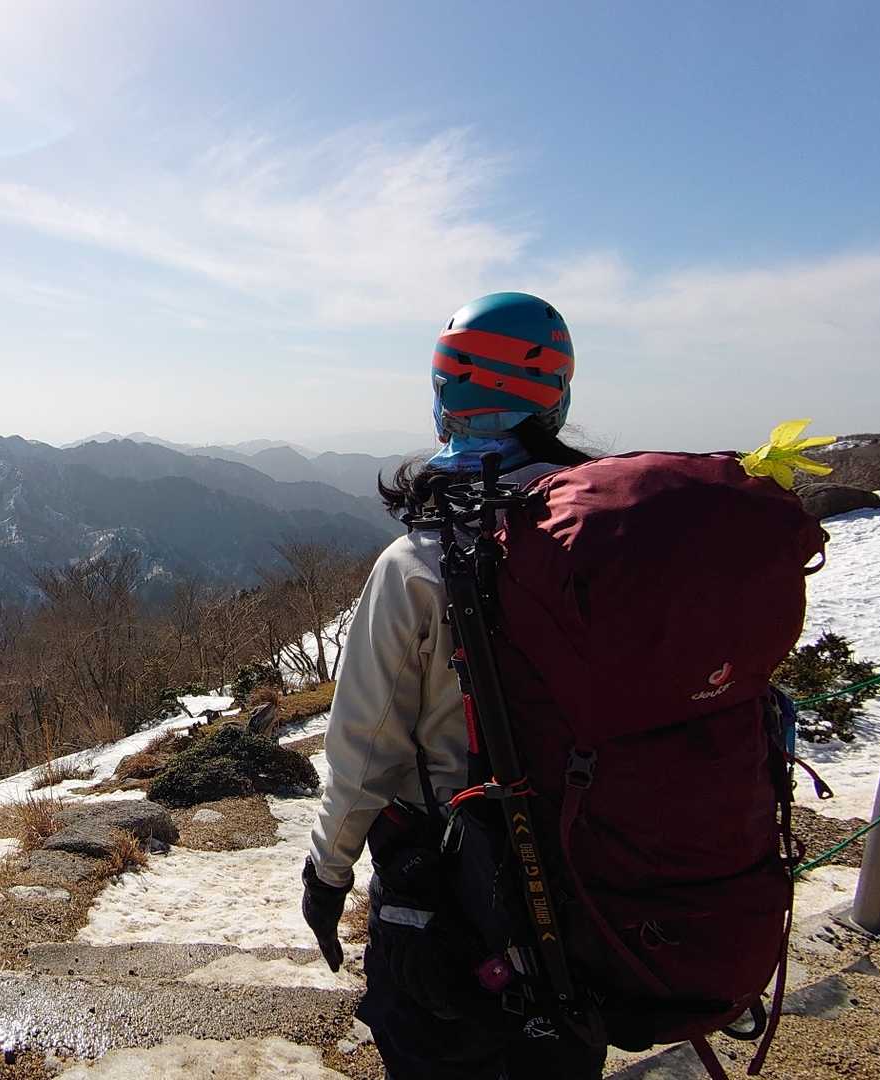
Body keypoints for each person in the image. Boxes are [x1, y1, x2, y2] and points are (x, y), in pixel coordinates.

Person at [300, 291, 606, 1080]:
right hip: (592, 893)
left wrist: (328, 875)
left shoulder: (419, 562)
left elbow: (362, 751)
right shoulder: (608, 544)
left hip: (451, 901)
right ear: (558, 398)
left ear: (444, 399)